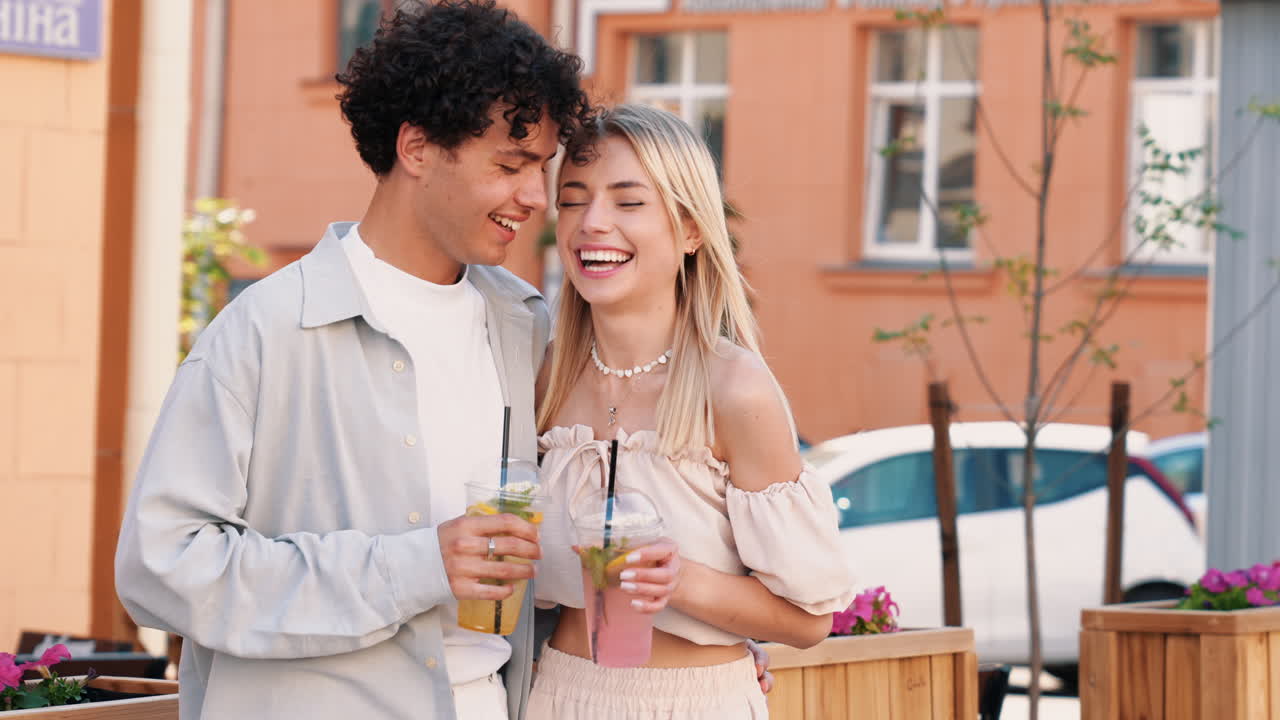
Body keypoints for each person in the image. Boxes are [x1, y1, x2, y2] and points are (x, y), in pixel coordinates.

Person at [114, 2, 593, 718]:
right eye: (511, 164)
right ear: (418, 147)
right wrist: (417, 566)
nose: (535, 198)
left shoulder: (527, 326)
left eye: (543, 169)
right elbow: (162, 566)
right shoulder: (267, 329)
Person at [527, 104, 855, 719]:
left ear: (690, 230)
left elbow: (811, 622)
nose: (592, 223)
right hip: (558, 697)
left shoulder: (735, 390)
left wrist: (683, 583)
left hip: (696, 703)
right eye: (573, 199)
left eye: (628, 202)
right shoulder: (543, 379)